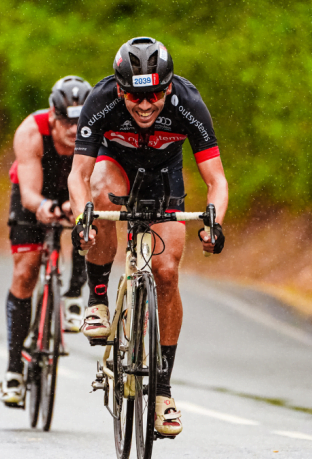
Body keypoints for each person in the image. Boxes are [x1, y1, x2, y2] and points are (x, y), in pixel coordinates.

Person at [68, 37, 228, 436]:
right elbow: (79, 175)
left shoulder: (188, 103)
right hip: (113, 164)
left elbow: (216, 180)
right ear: (119, 89)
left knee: (167, 271)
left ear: (168, 87)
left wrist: (215, 224)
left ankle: (161, 392)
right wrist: (81, 220)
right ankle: (99, 299)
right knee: (100, 194)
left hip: (163, 176)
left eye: (155, 94)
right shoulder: (102, 99)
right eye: (135, 96)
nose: (144, 105)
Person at [0, 76, 92, 406]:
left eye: (80, 120)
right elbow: (27, 194)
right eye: (67, 120)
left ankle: (72, 295)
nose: (74, 128)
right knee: (26, 271)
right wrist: (45, 207)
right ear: (53, 116)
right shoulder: (30, 131)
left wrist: (76, 208)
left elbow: (99, 181)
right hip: (34, 194)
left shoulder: (95, 131)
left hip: (75, 193)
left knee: (91, 226)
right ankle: (13, 369)